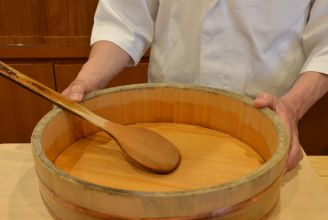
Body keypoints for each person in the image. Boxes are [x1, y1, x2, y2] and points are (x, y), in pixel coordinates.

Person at [62, 0, 328, 171]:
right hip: (168, 123)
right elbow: (125, 18)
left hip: (268, 122)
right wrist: (87, 79)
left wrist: (292, 107)